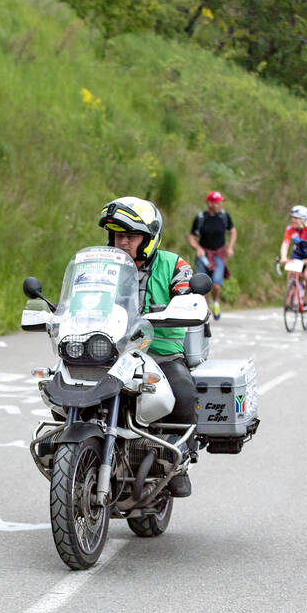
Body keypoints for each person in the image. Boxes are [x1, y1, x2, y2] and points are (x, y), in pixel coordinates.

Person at [99, 196, 196, 497]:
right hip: (112, 352)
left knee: (183, 391)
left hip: (161, 353)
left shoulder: (173, 264)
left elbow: (189, 293)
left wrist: (185, 302)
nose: (122, 242)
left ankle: (179, 461)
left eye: (131, 235)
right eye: (117, 235)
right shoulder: (103, 266)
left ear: (149, 238)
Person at [186, 190, 235, 320]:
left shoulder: (224, 216)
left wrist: (230, 247)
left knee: (216, 284)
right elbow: (191, 237)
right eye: (217, 202)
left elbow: (233, 231)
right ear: (209, 203)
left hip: (219, 254)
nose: (219, 204)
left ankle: (215, 303)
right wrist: (197, 248)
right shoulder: (201, 218)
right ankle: (205, 310)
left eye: (220, 202)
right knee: (202, 284)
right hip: (203, 255)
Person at [280, 205, 307, 310]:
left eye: (296, 218)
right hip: (298, 253)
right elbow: (285, 244)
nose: (293, 220)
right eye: (292, 217)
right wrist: (283, 257)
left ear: (304, 219)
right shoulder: (290, 229)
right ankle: (291, 300)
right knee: (291, 273)